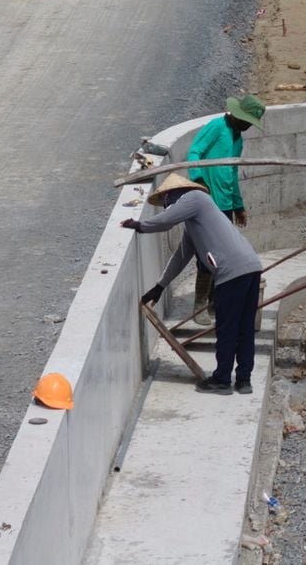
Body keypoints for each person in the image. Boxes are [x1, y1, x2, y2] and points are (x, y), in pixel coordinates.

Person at [124, 171, 264, 394]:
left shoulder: (195, 198)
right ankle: (244, 380)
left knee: (227, 328)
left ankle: (222, 379)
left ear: (172, 195)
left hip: (231, 273)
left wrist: (140, 226)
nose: (166, 206)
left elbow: (167, 221)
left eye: (166, 201)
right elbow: (181, 257)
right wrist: (159, 286)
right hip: (251, 267)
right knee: (244, 328)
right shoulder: (195, 223)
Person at [187, 94, 265, 227]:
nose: (248, 126)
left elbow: (232, 174)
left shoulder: (238, 140)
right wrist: (198, 180)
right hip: (208, 200)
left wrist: (238, 206)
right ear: (238, 114)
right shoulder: (218, 126)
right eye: (247, 121)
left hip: (225, 203)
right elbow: (194, 152)